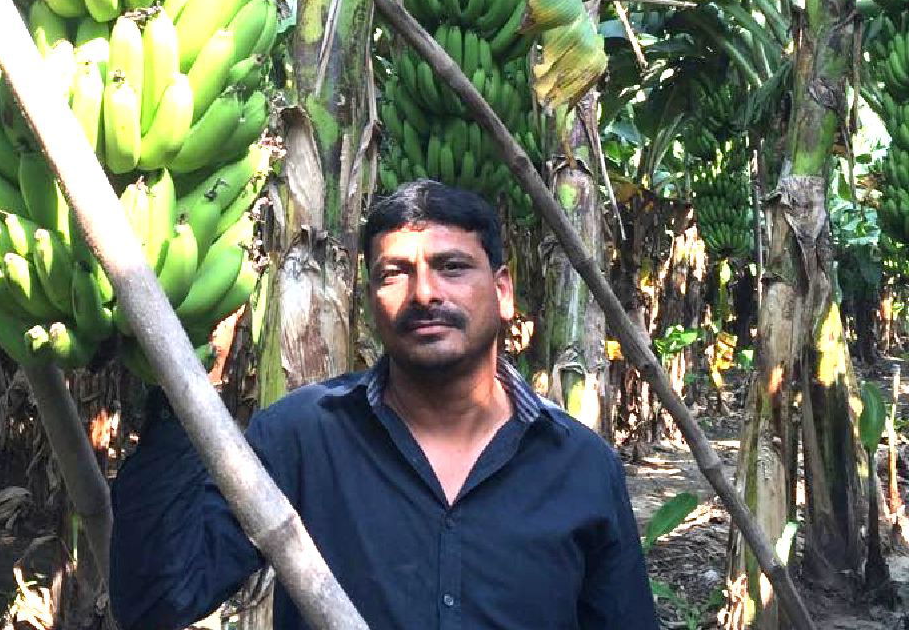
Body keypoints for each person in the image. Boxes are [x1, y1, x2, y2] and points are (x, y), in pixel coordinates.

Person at [109, 179, 659, 629]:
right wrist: (175, 399)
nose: (424, 294)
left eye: (452, 267)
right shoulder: (302, 437)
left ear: (504, 292)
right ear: (369, 301)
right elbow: (160, 599)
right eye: (393, 273)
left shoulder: (581, 465)